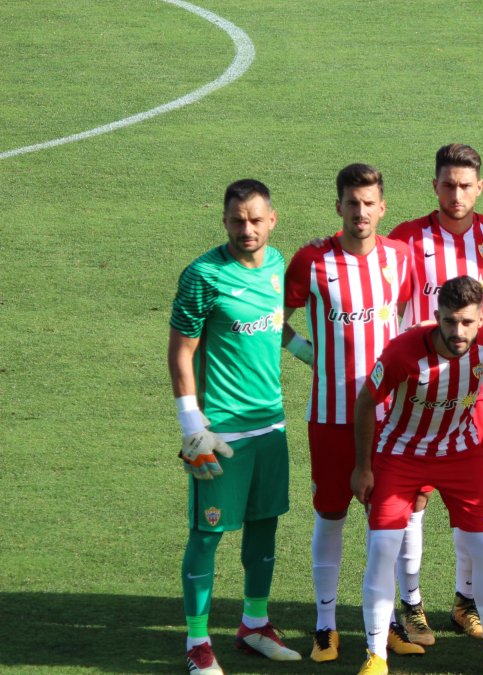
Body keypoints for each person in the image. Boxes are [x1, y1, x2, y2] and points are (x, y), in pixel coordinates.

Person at [282, 163, 421, 662]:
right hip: (331, 416)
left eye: (369, 203)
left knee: (389, 523)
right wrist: (309, 355)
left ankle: (385, 627)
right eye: (351, 202)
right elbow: (276, 318)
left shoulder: (402, 259)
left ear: (383, 208)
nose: (360, 212)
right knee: (331, 515)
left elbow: (412, 325)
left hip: (391, 418)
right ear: (337, 206)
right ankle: (324, 624)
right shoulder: (312, 261)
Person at [351, 276, 483, 675]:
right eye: (449, 322)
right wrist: (363, 466)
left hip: (460, 452)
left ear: (482, 319)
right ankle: (376, 656)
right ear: (436, 317)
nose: (457, 332)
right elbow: (364, 402)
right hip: (400, 454)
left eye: (466, 322)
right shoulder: (402, 351)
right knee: (382, 549)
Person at [169, 179, 301, 675]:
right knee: (207, 535)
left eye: (254, 219)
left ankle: (254, 624)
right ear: (224, 221)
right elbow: (181, 349)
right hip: (220, 434)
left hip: (270, 426)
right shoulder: (203, 276)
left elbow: (274, 323)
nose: (246, 228)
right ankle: (198, 641)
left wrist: (310, 355)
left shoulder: (276, 265)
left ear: (272, 219)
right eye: (236, 220)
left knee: (265, 526)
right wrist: (191, 424)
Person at [386, 144, 483, 644]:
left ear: (480, 187)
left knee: (473, 498)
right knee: (412, 501)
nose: (456, 194)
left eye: (466, 185)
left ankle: (465, 602)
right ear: (434, 185)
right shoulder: (406, 238)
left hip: (478, 394)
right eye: (447, 184)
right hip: (417, 393)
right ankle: (412, 605)